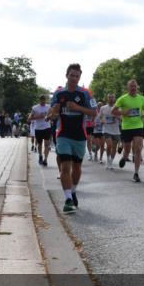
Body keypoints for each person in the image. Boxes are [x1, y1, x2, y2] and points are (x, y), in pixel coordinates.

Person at [50, 63, 96, 212]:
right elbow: (52, 113)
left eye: (77, 76)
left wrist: (78, 108)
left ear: (79, 77)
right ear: (66, 75)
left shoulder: (85, 93)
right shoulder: (58, 93)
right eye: (72, 75)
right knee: (65, 166)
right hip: (63, 134)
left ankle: (73, 190)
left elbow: (94, 112)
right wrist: (53, 113)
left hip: (79, 135)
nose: (74, 78)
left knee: (76, 168)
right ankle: (68, 198)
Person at [113, 79, 144, 182]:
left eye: (135, 86)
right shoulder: (122, 99)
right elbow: (113, 111)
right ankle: (124, 157)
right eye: (131, 86)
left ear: (137, 87)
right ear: (128, 87)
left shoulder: (141, 98)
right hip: (127, 127)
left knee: (138, 148)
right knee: (127, 149)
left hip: (138, 126)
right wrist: (123, 113)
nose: (133, 88)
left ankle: (136, 173)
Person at [98, 93, 120, 170]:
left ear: (114, 98)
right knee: (109, 145)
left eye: (112, 97)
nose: (111, 99)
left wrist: (118, 117)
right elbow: (100, 117)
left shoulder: (118, 108)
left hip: (116, 130)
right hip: (106, 129)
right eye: (109, 97)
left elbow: (122, 118)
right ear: (107, 98)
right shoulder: (103, 108)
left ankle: (111, 162)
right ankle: (107, 160)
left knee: (114, 147)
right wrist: (102, 120)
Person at [30, 94, 53, 166]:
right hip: (38, 128)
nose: (43, 101)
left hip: (47, 127)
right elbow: (29, 118)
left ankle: (45, 160)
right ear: (39, 100)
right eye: (42, 99)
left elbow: (52, 115)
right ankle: (40, 156)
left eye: (44, 99)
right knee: (39, 144)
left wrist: (49, 117)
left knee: (46, 144)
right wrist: (38, 116)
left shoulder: (49, 107)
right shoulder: (35, 108)